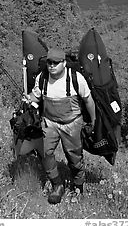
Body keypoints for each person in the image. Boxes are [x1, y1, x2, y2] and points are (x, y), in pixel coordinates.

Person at [26, 47, 96, 204]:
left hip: (72, 123)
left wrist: (94, 121)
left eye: (56, 63)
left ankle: (78, 187)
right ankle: (57, 185)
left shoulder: (75, 78)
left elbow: (88, 101)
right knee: (45, 152)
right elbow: (36, 96)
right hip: (49, 122)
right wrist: (28, 98)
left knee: (74, 157)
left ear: (64, 63)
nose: (52, 65)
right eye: (49, 62)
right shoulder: (42, 77)